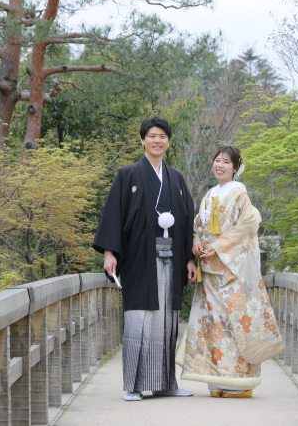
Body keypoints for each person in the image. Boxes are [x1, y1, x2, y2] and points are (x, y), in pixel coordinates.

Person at [93, 117, 197, 401]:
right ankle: (134, 385)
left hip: (172, 259)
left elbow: (188, 220)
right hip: (140, 259)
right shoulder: (128, 175)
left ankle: (165, 384)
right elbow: (113, 215)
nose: (157, 140)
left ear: (168, 141)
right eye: (152, 135)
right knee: (139, 318)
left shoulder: (175, 178)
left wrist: (190, 259)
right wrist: (109, 252)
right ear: (143, 140)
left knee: (167, 319)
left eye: (163, 136)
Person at [178, 145, 284, 398]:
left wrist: (218, 246)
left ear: (235, 168)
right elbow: (197, 225)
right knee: (213, 327)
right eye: (217, 160)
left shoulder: (239, 194)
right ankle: (216, 381)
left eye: (226, 162)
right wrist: (196, 241)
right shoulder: (209, 195)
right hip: (209, 272)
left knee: (233, 325)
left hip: (230, 273)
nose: (220, 165)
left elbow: (250, 223)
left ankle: (240, 383)